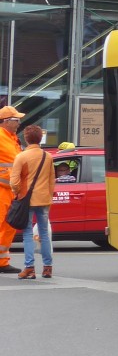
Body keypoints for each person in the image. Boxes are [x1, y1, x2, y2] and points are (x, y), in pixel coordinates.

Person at [11, 124, 54, 279]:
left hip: (26, 200)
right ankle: (48, 267)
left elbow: (14, 182)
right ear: (40, 138)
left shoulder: (21, 157)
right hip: (43, 199)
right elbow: (51, 180)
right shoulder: (47, 156)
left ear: (26, 139)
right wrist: (49, 197)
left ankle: (29, 268)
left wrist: (17, 193)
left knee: (28, 233)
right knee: (44, 233)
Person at [0, 104, 23, 273]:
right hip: (2, 190)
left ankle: (2, 262)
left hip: (11, 191)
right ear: (6, 121)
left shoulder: (12, 138)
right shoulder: (2, 137)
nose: (19, 123)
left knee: (8, 227)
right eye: (16, 120)